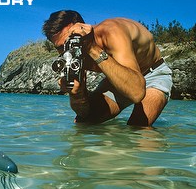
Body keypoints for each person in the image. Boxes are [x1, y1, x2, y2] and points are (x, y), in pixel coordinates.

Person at [42, 10, 173, 126]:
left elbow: (137, 93)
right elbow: (83, 112)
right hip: (118, 77)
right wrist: (77, 95)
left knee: (137, 127)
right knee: (84, 122)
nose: (67, 49)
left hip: (152, 73)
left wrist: (92, 47)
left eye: (69, 41)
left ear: (82, 28)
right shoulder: (71, 55)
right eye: (60, 47)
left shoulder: (112, 31)